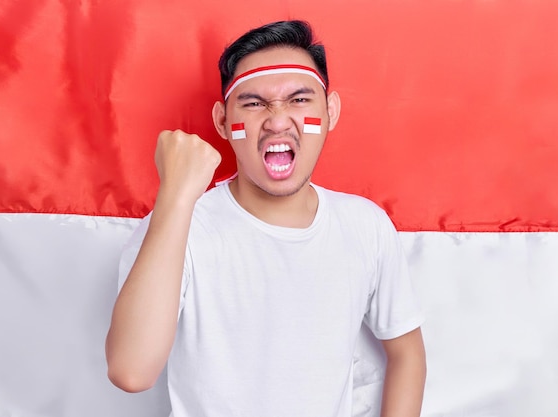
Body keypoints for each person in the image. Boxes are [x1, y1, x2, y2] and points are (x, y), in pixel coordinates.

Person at [106, 20, 426, 417]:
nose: (276, 120)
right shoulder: (176, 224)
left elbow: (407, 351)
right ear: (223, 120)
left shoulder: (365, 226)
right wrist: (175, 194)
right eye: (254, 103)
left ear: (330, 112)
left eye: (298, 100)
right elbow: (131, 371)